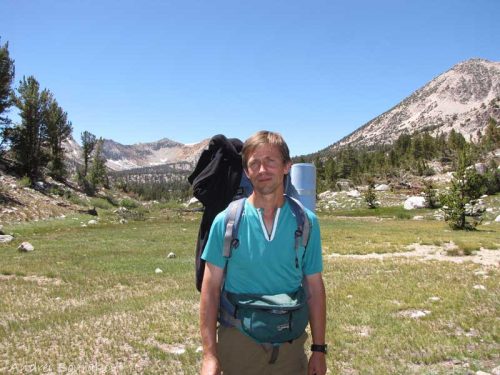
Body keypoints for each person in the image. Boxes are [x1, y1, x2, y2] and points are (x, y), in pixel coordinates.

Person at [199, 130, 327, 375]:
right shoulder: (226, 222)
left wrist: (319, 350)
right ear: (246, 171)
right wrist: (209, 356)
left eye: (270, 161)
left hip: (290, 347)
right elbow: (210, 290)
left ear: (286, 166)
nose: (262, 170)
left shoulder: (306, 222)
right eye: (254, 163)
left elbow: (314, 289)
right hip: (238, 345)